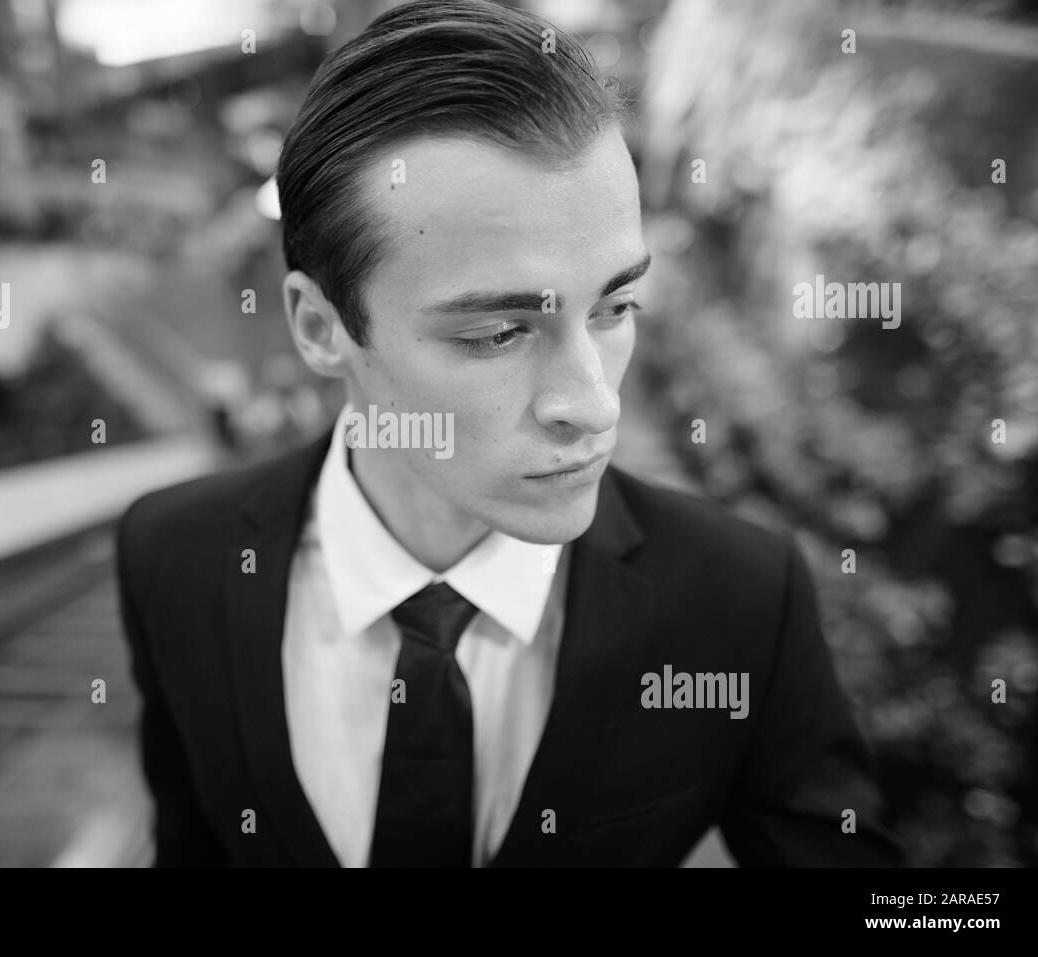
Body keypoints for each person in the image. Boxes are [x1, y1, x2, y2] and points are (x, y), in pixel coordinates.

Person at [116, 0, 902, 867]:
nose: (593, 403)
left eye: (615, 306)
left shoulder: (740, 600)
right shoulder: (174, 559)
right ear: (318, 327)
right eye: (496, 332)